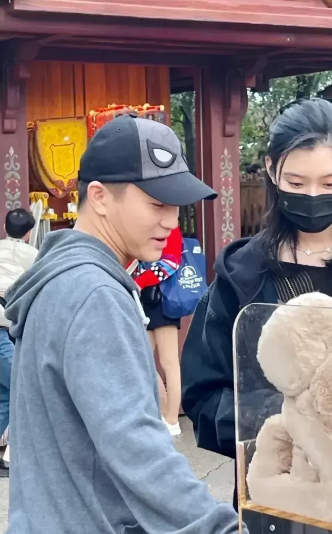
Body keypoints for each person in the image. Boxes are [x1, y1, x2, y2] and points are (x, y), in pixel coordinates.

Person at [181, 98, 332, 521]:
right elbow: (204, 392)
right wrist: (288, 424)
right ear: (272, 171)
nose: (313, 195)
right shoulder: (242, 275)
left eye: (330, 182)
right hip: (284, 499)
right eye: (296, 182)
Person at [5, 114, 246, 534]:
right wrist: (218, 528)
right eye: (156, 204)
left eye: (175, 206)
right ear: (99, 197)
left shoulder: (61, 278)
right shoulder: (94, 293)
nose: (171, 221)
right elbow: (135, 444)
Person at [132, 226, 184, 436]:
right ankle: (162, 412)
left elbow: (171, 263)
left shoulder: (171, 229)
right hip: (145, 299)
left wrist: (139, 281)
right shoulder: (144, 228)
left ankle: (172, 419)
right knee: (143, 359)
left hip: (164, 300)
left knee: (169, 363)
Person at [0, 208, 38, 477]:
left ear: (5, 227)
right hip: (4, 332)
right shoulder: (35, 256)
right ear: (28, 233)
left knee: (6, 393)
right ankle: (14, 454)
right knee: (25, 387)